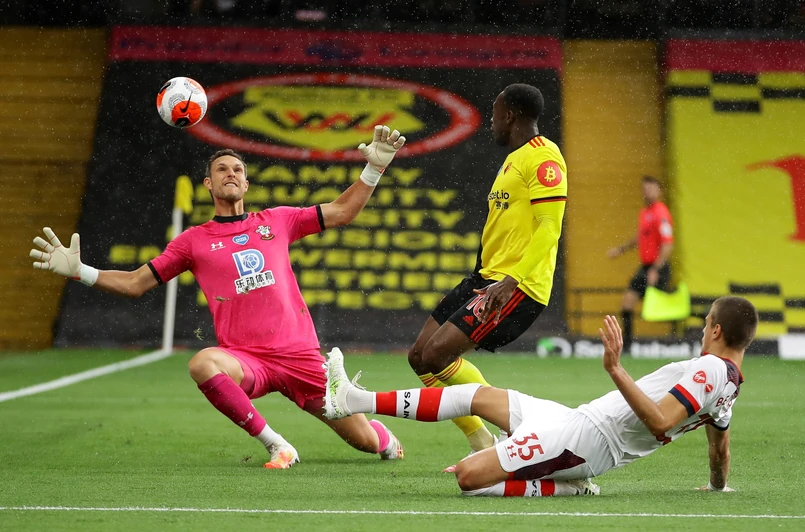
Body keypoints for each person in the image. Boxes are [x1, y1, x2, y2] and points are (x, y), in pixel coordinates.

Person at [29, 125, 407, 469]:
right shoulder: (193, 241)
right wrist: (81, 272)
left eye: (238, 170)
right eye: (222, 169)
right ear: (208, 184)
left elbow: (342, 211)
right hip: (246, 359)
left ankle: (385, 439)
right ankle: (277, 445)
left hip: (300, 357)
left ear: (246, 184)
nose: (231, 174)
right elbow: (135, 283)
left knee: (366, 442)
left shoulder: (277, 221)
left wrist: (373, 169)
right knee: (203, 363)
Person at [324, 295, 756, 496]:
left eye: (706, 323)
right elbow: (720, 450)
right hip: (576, 419)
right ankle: (355, 400)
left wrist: (615, 369)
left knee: (469, 478)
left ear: (717, 330)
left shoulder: (710, 369)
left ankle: (568, 488)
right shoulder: (728, 385)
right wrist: (717, 487)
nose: (703, 329)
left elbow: (661, 421)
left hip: (587, 443)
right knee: (476, 395)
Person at [406, 83, 568, 457]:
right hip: (486, 277)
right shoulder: (513, 160)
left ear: (509, 115)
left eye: (494, 114)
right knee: (420, 356)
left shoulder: (544, 157)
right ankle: (483, 442)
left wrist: (512, 280)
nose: (491, 122)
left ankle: (521, 431)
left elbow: (549, 227)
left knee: (437, 356)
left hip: (517, 286)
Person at [607, 175, 674, 351]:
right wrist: (620, 250)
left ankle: (687, 335)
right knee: (627, 303)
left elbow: (667, 244)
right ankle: (627, 346)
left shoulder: (661, 213)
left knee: (668, 307)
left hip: (657, 267)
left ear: (659, 191)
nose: (647, 192)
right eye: (645, 189)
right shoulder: (645, 213)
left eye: (651, 188)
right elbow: (640, 237)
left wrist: (655, 269)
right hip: (645, 267)